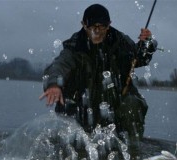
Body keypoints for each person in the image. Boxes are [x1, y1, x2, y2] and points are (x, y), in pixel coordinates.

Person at [39, 3, 157, 139]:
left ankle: (132, 149)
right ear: (83, 24)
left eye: (102, 27)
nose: (98, 31)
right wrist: (54, 84)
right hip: (80, 108)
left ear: (109, 25)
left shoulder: (120, 41)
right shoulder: (74, 46)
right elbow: (59, 65)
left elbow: (139, 58)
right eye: (93, 27)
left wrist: (148, 44)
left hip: (111, 106)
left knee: (132, 104)